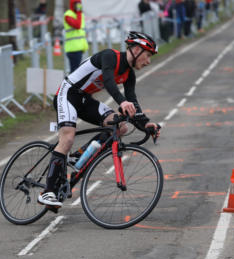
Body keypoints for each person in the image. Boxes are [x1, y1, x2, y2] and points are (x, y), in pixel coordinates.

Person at [38, 32, 161, 208]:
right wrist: (122, 102)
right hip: (68, 93)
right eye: (147, 55)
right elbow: (109, 81)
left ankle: (79, 155)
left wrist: (146, 124)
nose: (148, 61)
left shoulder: (129, 74)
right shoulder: (110, 56)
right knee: (67, 138)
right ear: (135, 50)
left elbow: (133, 102)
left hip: (85, 99)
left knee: (121, 127)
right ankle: (48, 192)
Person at [64, 0, 89, 72]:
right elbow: (77, 25)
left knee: (78, 71)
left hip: (80, 47)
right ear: (72, 4)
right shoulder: (68, 15)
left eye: (79, 4)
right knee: (75, 71)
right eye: (76, 4)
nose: (78, 5)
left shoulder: (80, 14)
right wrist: (79, 12)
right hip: (73, 48)